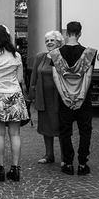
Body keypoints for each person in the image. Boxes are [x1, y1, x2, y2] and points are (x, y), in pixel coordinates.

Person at [48, 22, 97, 176]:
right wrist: (81, 97)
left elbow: (56, 77)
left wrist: (64, 97)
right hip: (83, 98)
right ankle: (82, 164)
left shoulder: (55, 54)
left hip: (65, 98)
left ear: (66, 33)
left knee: (65, 131)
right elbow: (88, 76)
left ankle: (68, 163)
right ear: (80, 33)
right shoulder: (89, 53)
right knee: (85, 131)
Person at [0, 25, 29, 182]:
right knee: (15, 134)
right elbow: (21, 79)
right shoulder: (16, 56)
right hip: (14, 96)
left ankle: (1, 169)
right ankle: (15, 169)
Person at [28, 30, 64, 165]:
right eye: (47, 40)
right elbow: (34, 77)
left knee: (60, 126)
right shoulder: (41, 57)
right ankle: (49, 155)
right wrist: (31, 93)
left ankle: (65, 157)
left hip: (58, 97)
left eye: (52, 40)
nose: (49, 43)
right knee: (45, 127)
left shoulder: (62, 57)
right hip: (43, 97)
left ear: (59, 42)